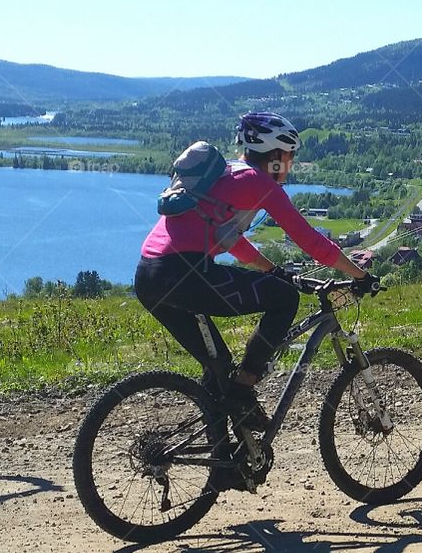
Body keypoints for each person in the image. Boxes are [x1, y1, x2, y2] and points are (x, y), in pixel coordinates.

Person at [134, 111, 373, 429]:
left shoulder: (228, 176)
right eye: (290, 155)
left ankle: (221, 465)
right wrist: (361, 275)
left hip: (150, 275)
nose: (290, 163)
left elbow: (231, 242)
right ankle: (245, 387)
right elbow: (312, 243)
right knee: (285, 298)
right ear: (276, 155)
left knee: (217, 368)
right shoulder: (259, 183)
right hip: (186, 273)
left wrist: (273, 271)